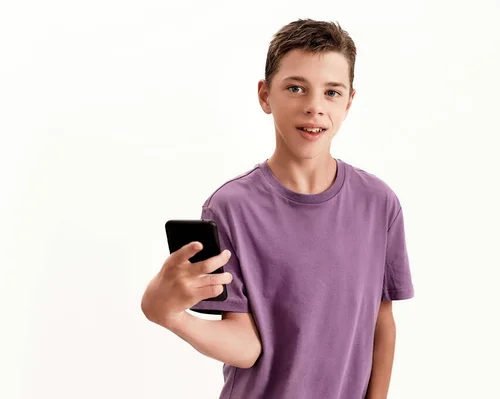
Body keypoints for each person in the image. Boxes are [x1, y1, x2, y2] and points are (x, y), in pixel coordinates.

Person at [141, 18, 415, 399]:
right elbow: (247, 346)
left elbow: (381, 320)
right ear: (265, 95)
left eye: (331, 92)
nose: (314, 107)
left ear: (349, 101)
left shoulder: (378, 203)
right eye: (296, 88)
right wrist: (170, 315)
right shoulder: (231, 208)